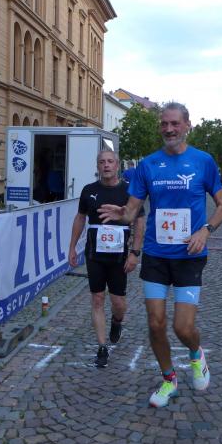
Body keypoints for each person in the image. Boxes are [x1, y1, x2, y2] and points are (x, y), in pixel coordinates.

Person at [98, 102, 222, 408]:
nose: (169, 129)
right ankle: (169, 379)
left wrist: (205, 230)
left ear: (187, 125)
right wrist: (122, 214)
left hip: (189, 255)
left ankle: (196, 355)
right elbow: (132, 209)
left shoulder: (203, 161)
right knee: (155, 323)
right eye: (164, 124)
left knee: (182, 327)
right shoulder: (148, 164)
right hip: (157, 255)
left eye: (174, 123)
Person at [68, 150, 146, 368]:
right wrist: (72, 247)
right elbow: (80, 218)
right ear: (98, 166)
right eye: (102, 162)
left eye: (110, 161)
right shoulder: (89, 190)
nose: (106, 165)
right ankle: (102, 347)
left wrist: (135, 253)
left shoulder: (129, 191)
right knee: (97, 298)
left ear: (118, 165)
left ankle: (117, 321)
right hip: (94, 254)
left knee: (118, 302)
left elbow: (139, 221)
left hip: (119, 256)